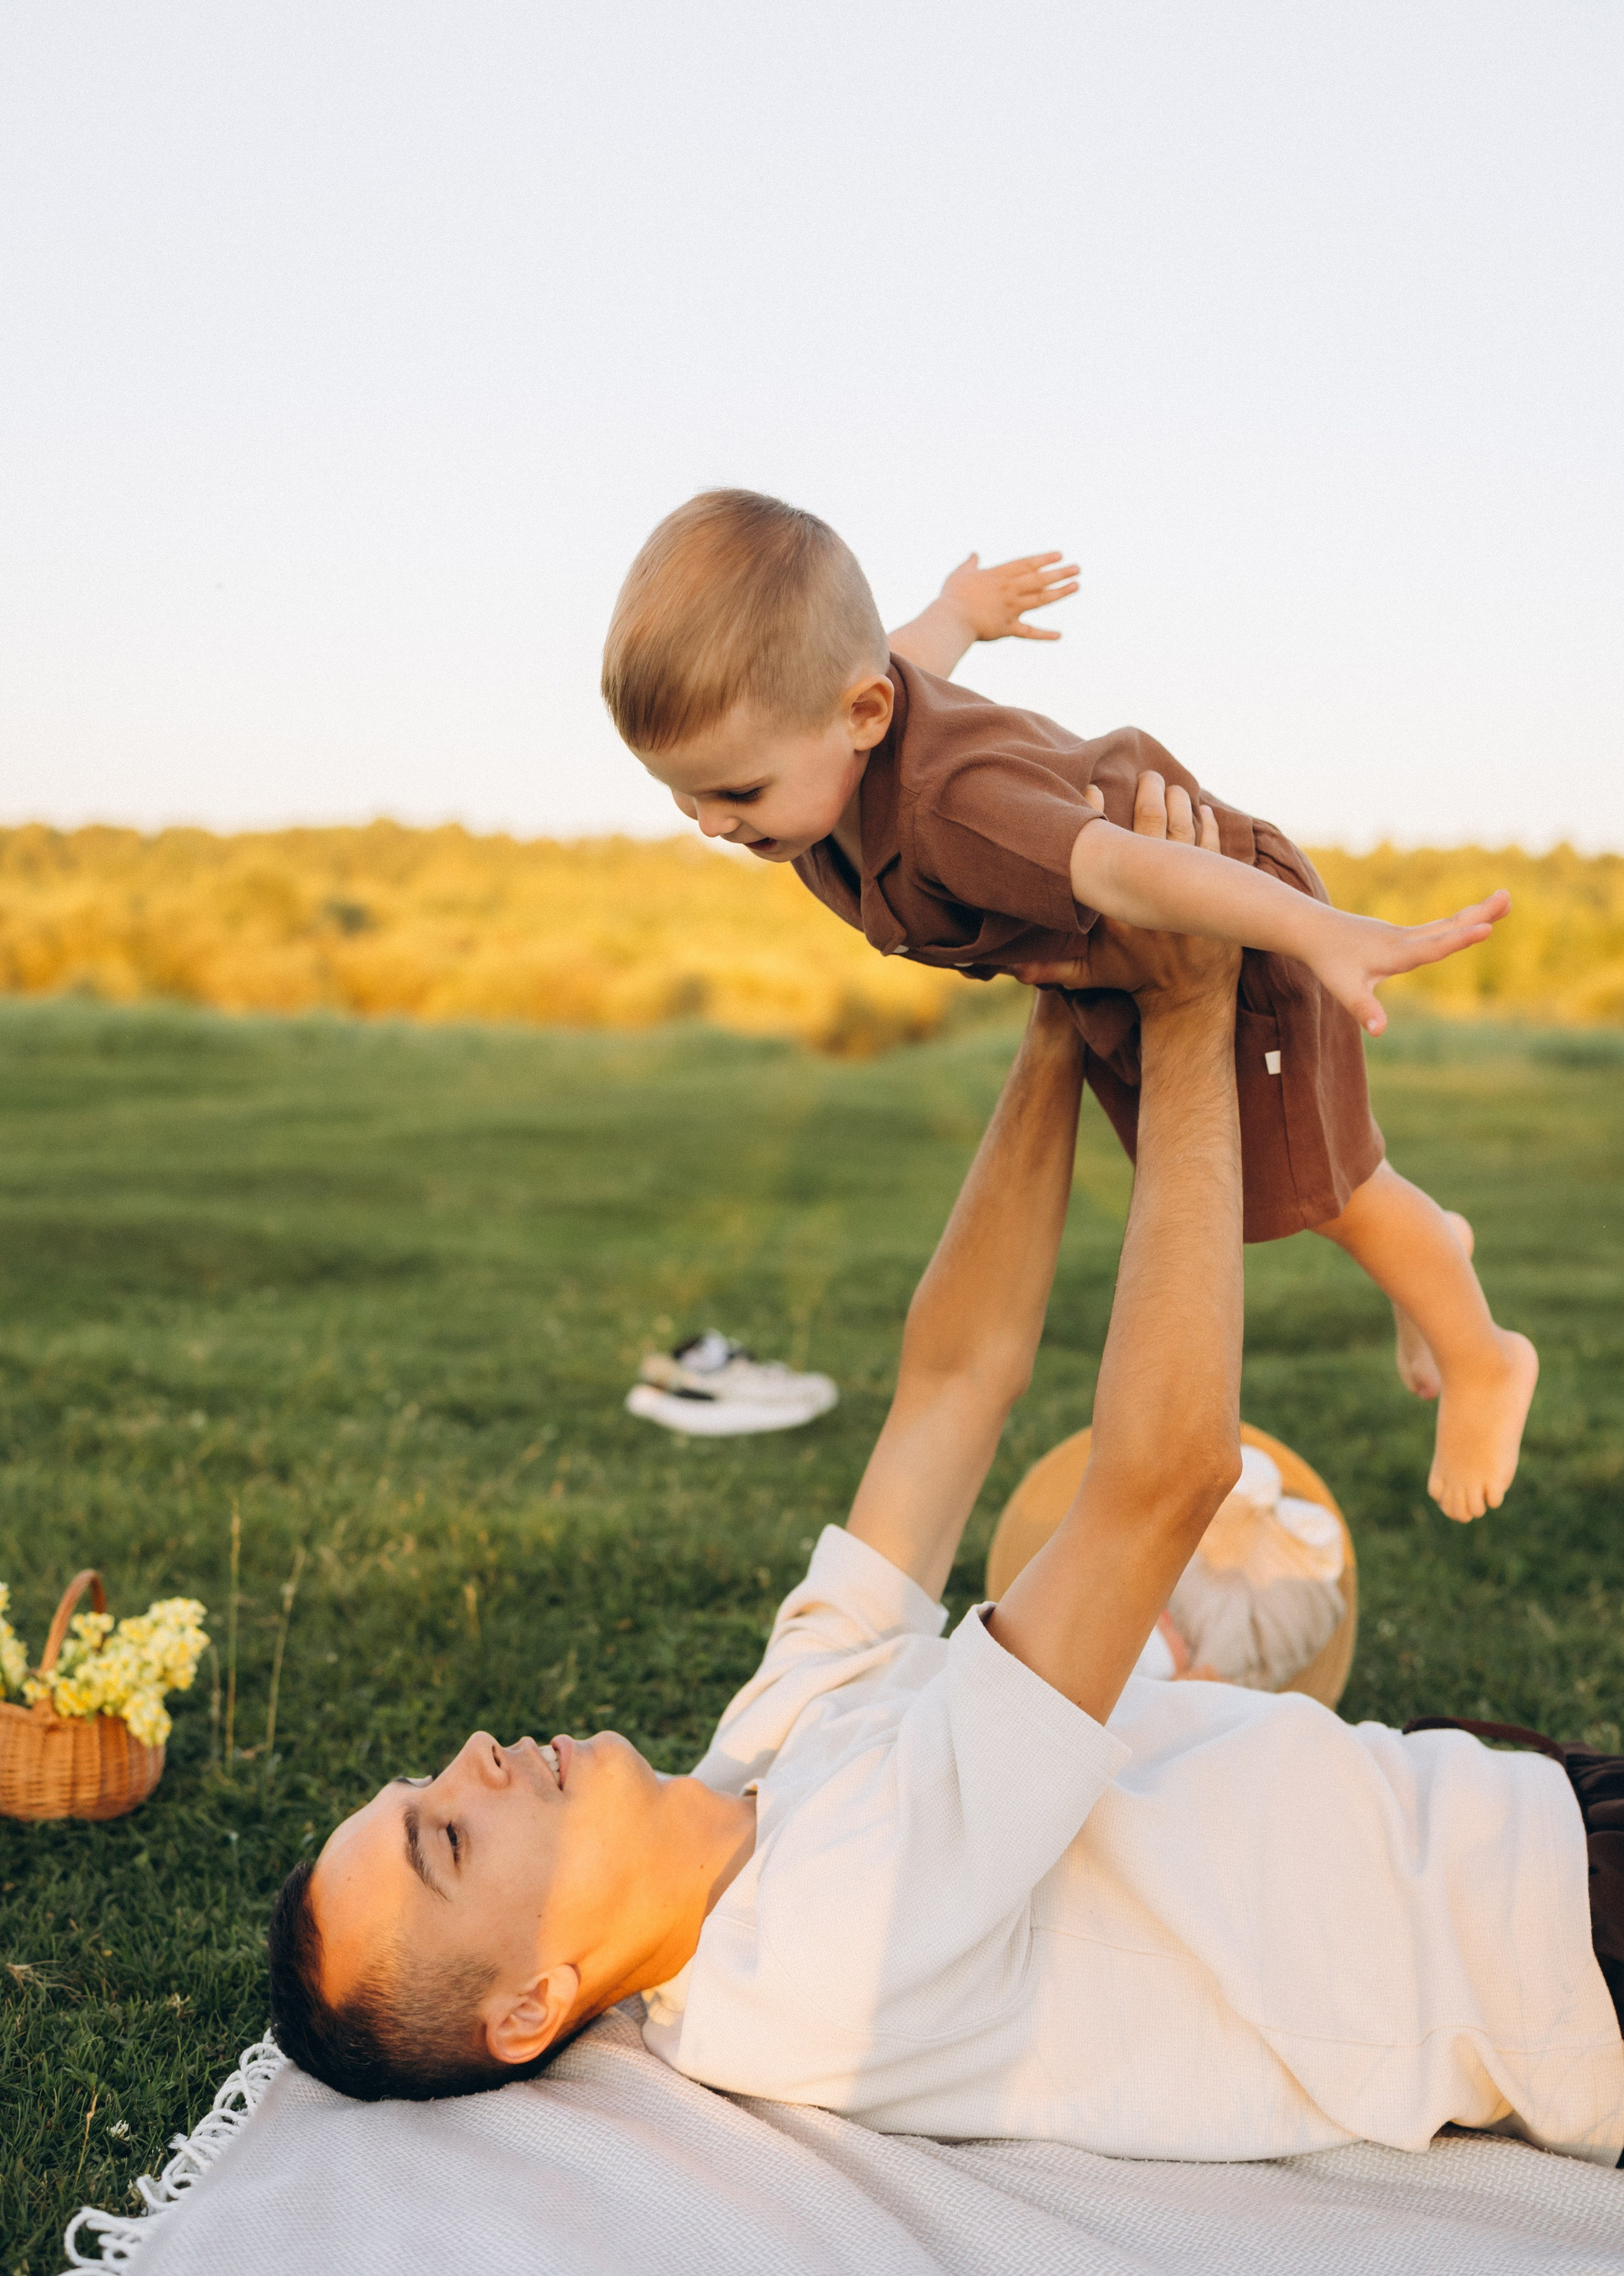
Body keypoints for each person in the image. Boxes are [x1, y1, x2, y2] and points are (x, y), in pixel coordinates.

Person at [267, 793, 1624, 2167]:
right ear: (532, 2008)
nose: (471, 1764)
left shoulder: (757, 1759)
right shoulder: (822, 1944)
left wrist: (1058, 990)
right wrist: (1184, 1010)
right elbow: (1162, 1480)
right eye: (446, 1842)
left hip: (1487, 1811)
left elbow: (952, 1385)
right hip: (1561, 1952)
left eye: (421, 1785)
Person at [599, 490, 1538, 1522]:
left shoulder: (955, 809)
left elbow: (1130, 871)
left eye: (737, 794)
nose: (710, 825)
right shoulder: (834, 735)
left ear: (864, 717)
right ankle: (1429, 1264)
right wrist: (960, 608)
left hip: (1215, 907)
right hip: (1126, 959)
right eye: (681, 796)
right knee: (1279, 1190)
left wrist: (1321, 932)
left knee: (1330, 1193)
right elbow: (908, 651)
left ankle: (1485, 1355)